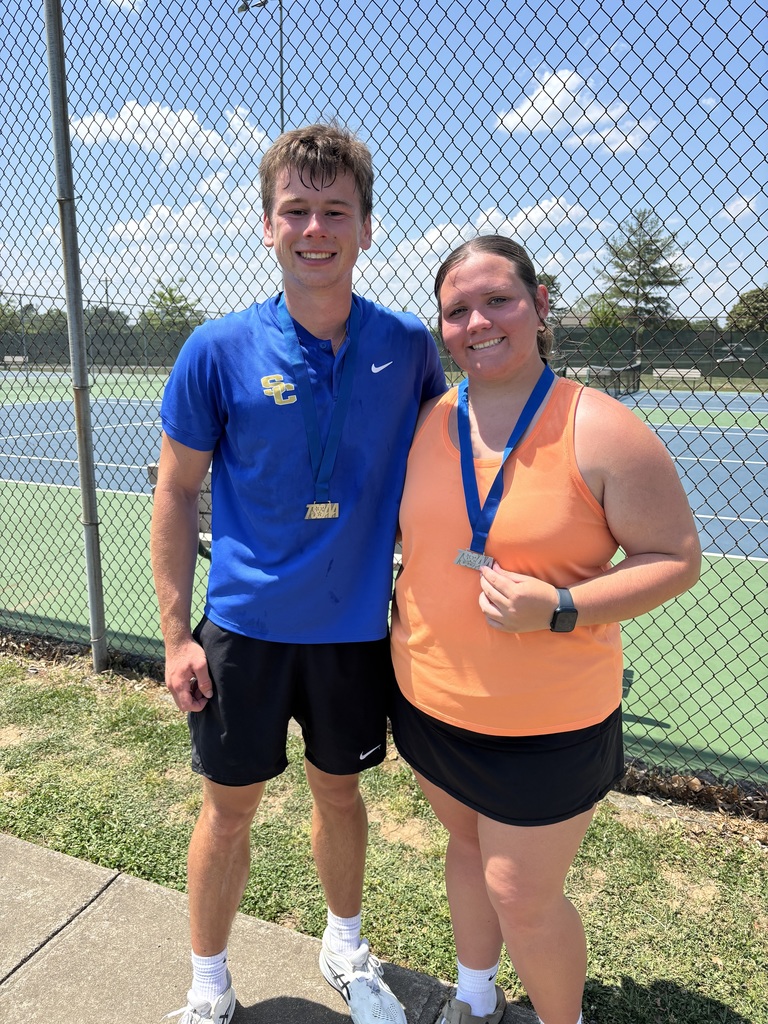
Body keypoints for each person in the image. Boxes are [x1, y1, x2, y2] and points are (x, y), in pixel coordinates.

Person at [150, 122, 446, 1024]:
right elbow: (174, 494)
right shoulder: (217, 347)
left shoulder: (408, 346)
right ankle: (209, 984)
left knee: (340, 792)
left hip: (353, 631)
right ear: (268, 225)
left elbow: (447, 476)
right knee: (227, 810)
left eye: (334, 211)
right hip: (242, 629)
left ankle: (346, 947)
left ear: (367, 227)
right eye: (296, 211)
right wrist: (174, 634)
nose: (314, 229)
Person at [389, 235, 701, 1024]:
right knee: (465, 852)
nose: (478, 322)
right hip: (428, 701)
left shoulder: (600, 428)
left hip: (548, 722)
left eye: (498, 300)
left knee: (520, 893)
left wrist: (561, 608)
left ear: (539, 305)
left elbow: (675, 558)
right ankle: (473, 998)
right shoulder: (426, 421)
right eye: (457, 310)